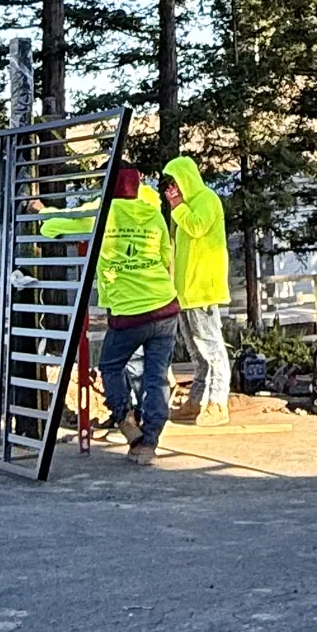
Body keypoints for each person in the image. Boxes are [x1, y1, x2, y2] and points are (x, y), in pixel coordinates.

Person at [92, 161, 180, 466]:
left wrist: (40, 213)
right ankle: (149, 443)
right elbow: (165, 256)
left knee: (110, 366)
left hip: (129, 314)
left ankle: (127, 424)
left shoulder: (102, 215)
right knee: (156, 377)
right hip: (165, 307)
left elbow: (55, 227)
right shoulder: (153, 215)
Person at [162, 155, 231, 424]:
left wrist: (178, 207)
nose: (172, 188)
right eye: (169, 184)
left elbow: (198, 227)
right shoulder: (185, 208)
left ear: (186, 179)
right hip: (186, 292)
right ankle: (198, 400)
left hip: (203, 289)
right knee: (196, 352)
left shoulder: (206, 199)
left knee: (212, 350)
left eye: (175, 181)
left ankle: (218, 403)